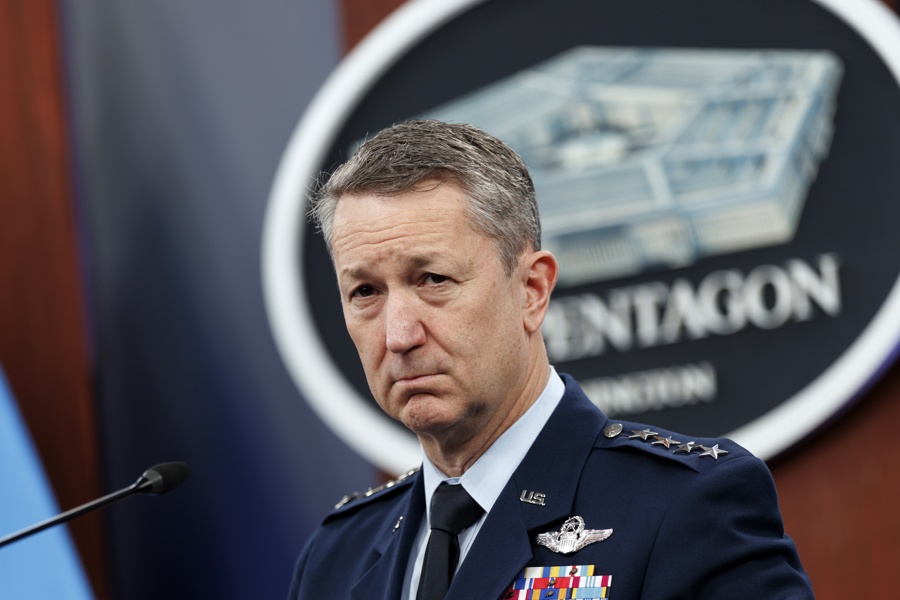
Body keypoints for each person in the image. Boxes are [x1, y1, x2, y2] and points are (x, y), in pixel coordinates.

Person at [288, 119, 813, 599]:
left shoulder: (683, 506)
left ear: (532, 290)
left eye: (434, 280)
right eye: (364, 292)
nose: (399, 335)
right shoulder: (337, 555)